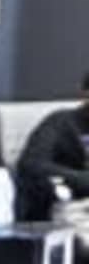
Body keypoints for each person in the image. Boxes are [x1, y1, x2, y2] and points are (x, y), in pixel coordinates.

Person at [17, 75, 89, 221]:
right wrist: (82, 179)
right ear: (86, 92)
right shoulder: (61, 122)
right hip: (68, 210)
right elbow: (31, 164)